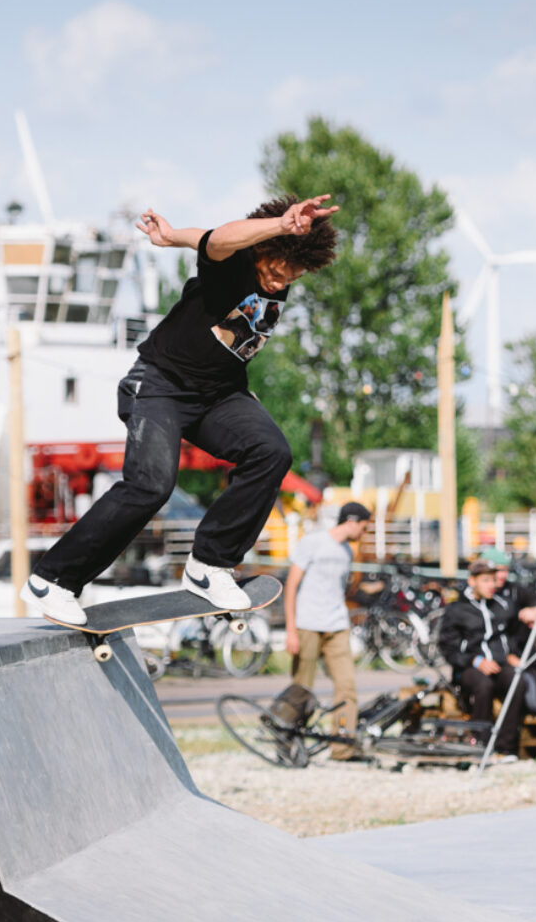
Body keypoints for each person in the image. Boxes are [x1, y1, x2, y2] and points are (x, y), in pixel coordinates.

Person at [21, 193, 339, 624]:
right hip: (159, 386)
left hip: (219, 396)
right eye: (276, 270)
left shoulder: (276, 284)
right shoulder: (235, 263)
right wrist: (281, 226)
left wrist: (170, 237)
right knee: (151, 485)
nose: (279, 283)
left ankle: (209, 565)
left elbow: (209, 259)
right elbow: (217, 238)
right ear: (262, 249)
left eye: (292, 277)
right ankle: (54, 580)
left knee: (272, 451)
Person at [281, 502, 371, 761]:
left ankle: (342, 748)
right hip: (307, 624)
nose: (363, 533)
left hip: (337, 626)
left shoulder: (347, 552)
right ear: (352, 521)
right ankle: (287, 739)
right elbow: (292, 585)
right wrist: (291, 629)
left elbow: (340, 590)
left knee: (347, 687)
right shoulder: (313, 542)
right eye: (364, 527)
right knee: (301, 688)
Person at [437, 558, 528, 761]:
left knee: (517, 681)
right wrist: (475, 661)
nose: (492, 585)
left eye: (493, 580)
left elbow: (514, 635)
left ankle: (507, 747)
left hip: (500, 663)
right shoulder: (457, 610)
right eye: (486, 580)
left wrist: (513, 653)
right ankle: (482, 742)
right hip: (469, 666)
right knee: (483, 685)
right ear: (473, 581)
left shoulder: (503, 606)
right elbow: (448, 648)